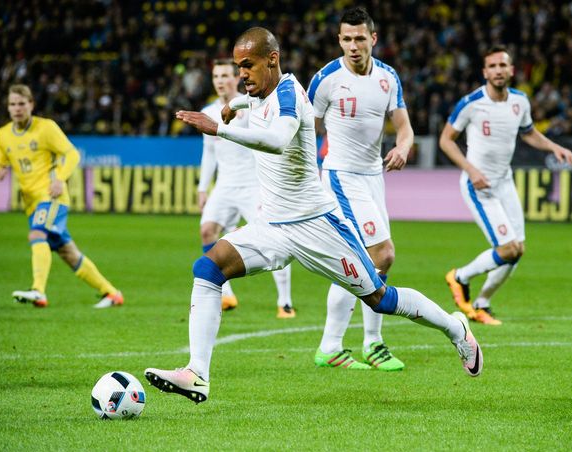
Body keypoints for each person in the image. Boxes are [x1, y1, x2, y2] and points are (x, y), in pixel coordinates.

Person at [144, 27, 482, 404]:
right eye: (239, 66)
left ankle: (456, 330)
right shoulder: (257, 92)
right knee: (208, 268)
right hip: (272, 226)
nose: (242, 74)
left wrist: (220, 129)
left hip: (317, 224)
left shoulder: (289, 92)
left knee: (380, 298)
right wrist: (234, 105)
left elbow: (277, 139)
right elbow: (252, 105)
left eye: (248, 65)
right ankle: (197, 373)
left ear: (272, 59)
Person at [307, 7, 414, 371]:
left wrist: (402, 146)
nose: (353, 46)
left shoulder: (388, 78)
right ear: (339, 40)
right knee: (380, 254)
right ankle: (337, 344)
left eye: (360, 38)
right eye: (347, 39)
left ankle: (369, 344)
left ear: (373, 38)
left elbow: (404, 126)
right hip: (340, 176)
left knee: (367, 262)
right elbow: (305, 129)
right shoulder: (326, 79)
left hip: (373, 178)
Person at [439, 45, 572, 325]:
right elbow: (445, 140)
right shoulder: (471, 103)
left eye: (503, 65)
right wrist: (471, 169)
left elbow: (529, 133)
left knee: (518, 250)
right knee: (507, 249)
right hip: (479, 186)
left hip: (505, 182)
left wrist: (553, 148)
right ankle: (460, 277)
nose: (498, 71)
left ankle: (482, 302)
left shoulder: (520, 102)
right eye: (493, 66)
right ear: (485, 72)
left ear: (511, 70)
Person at [0, 84, 123, 309]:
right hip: (31, 203)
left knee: (36, 234)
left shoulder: (46, 128)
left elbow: (71, 154)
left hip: (52, 196)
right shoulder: (3, 135)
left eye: (22, 104)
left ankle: (38, 291)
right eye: (12, 104)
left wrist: (59, 179)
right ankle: (111, 294)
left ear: (31, 104)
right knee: (68, 253)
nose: (17, 109)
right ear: (8, 107)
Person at [198, 59, 295, 318]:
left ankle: (285, 302)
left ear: (236, 78)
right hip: (225, 186)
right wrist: (202, 188)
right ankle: (226, 295)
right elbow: (209, 153)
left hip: (253, 185)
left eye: (225, 75)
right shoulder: (208, 112)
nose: (220, 80)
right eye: (216, 76)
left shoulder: (252, 106)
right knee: (207, 231)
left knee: (275, 239)